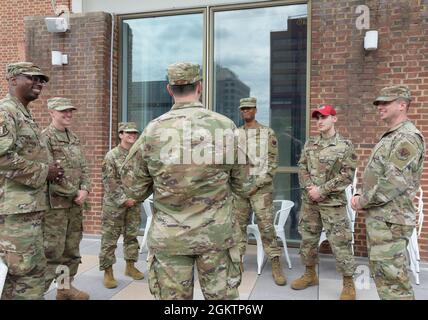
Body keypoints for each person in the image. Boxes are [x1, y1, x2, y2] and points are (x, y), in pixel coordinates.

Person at [121, 62, 252, 300]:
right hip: (216, 236)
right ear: (199, 87)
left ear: (169, 90)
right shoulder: (225, 126)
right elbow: (244, 184)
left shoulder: (153, 130)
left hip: (170, 239)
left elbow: (133, 188)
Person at [351, 85, 425, 300]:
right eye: (379, 103)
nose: (380, 107)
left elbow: (392, 183)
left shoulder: (407, 138)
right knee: (386, 278)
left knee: (394, 284)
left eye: (386, 102)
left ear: (402, 105)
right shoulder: (393, 135)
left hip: (391, 222)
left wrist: (362, 200)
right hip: (383, 219)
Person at [0, 62, 63, 299]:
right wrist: (43, 172)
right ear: (13, 79)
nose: (39, 83)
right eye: (32, 78)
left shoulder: (23, 113)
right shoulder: (6, 112)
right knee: (22, 275)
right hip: (14, 215)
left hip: (29, 211)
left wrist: (50, 170)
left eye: (42, 80)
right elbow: (2, 158)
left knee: (31, 272)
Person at [291, 104, 357, 300]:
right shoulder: (310, 143)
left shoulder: (345, 145)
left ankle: (348, 283)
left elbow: (347, 175)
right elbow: (301, 167)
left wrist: (322, 190)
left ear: (334, 119)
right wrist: (311, 188)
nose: (319, 121)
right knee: (308, 240)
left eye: (324, 117)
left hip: (333, 204)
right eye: (317, 118)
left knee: (340, 243)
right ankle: (310, 274)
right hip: (310, 202)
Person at [233, 97, 286, 286]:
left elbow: (272, 164)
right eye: (243, 109)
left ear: (255, 110)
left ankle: (275, 262)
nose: (246, 111)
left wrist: (256, 185)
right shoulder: (235, 134)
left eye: (249, 108)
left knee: (266, 226)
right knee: (238, 226)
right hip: (240, 190)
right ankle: (237, 261)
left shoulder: (267, 133)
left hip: (261, 190)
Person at [42, 97, 91, 300]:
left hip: (75, 205)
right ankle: (36, 293)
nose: (68, 114)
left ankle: (64, 288)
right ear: (51, 112)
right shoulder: (45, 138)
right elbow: (50, 174)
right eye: (63, 111)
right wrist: (74, 193)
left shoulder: (74, 138)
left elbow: (84, 168)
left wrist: (85, 189)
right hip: (56, 207)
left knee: (70, 250)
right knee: (52, 252)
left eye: (70, 111)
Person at [99, 122, 145, 289]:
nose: (132, 136)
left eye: (134, 133)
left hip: (134, 203)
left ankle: (130, 267)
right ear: (120, 135)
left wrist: (138, 196)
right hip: (114, 205)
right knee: (109, 239)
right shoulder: (111, 155)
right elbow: (108, 181)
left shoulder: (138, 155)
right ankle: (108, 272)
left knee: (131, 236)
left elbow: (143, 177)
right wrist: (124, 199)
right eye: (128, 133)